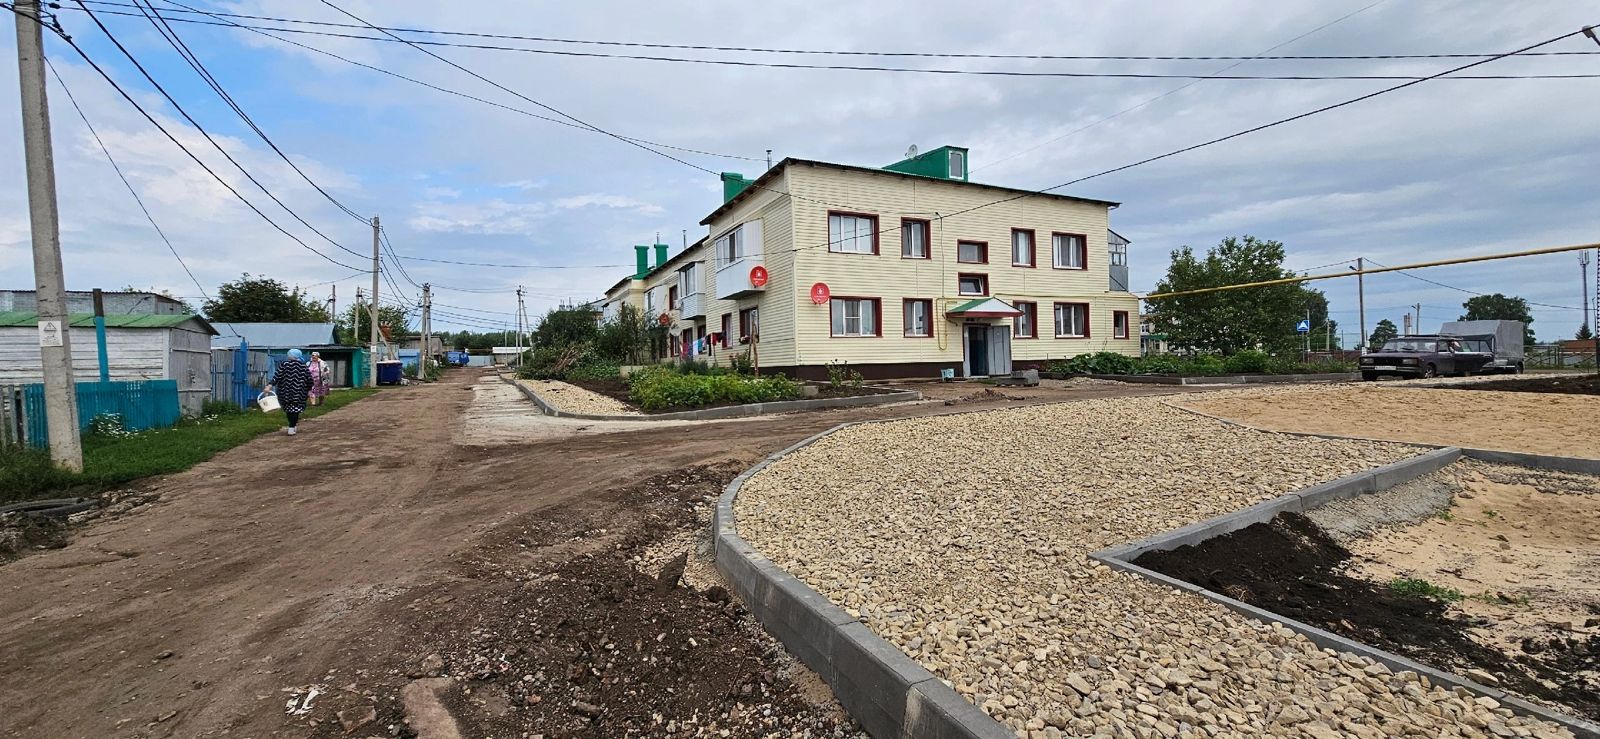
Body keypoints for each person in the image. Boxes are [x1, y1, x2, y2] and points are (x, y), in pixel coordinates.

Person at [266, 349, 312, 436]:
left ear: (291, 356)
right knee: (295, 410)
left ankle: (292, 426)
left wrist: (270, 385)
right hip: (299, 393)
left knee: (289, 410)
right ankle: (292, 427)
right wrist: (309, 389)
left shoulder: (284, 364)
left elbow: (277, 376)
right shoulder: (303, 366)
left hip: (285, 392)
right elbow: (309, 379)